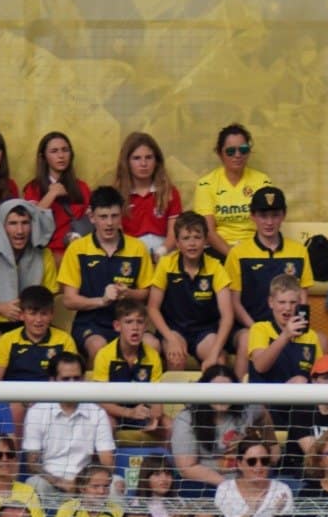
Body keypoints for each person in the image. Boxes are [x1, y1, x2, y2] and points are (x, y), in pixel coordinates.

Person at [58, 187, 153, 358]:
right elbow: (69, 300)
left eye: (114, 216)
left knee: (152, 345)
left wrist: (128, 293)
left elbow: (146, 293)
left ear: (121, 215)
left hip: (129, 322)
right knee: (98, 347)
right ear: (91, 217)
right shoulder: (77, 249)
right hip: (91, 323)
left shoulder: (138, 248)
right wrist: (102, 301)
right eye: (103, 217)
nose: (109, 223)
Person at [21, 352, 115, 504]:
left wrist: (84, 483)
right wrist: (59, 482)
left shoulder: (97, 412)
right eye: (66, 379)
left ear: (83, 379)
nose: (72, 384)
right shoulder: (37, 411)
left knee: (115, 484)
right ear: (52, 380)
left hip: (87, 483)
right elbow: (32, 464)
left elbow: (107, 462)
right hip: (50, 482)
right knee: (34, 484)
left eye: (76, 378)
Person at [148, 212, 232, 371]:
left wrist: (214, 354)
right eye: (186, 238)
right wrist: (171, 338)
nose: (192, 243)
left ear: (206, 241)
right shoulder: (166, 265)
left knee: (218, 360)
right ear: (177, 243)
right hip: (174, 328)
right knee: (176, 358)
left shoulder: (216, 267)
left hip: (205, 330)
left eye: (197, 237)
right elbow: (153, 308)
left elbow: (227, 316)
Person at [0, 199, 58, 335]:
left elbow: (48, 302)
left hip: (32, 323)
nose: (20, 231)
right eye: (13, 223)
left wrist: (27, 312)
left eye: (25, 223)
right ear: (2, 227)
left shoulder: (43, 255)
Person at [226, 185, 312, 334]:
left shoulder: (299, 251)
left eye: (275, 215)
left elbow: (303, 298)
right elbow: (234, 302)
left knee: (322, 341)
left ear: (284, 215)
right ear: (252, 216)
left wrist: (298, 328)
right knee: (246, 340)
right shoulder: (238, 253)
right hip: (249, 327)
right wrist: (257, 330)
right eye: (263, 216)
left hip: (288, 328)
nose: (269, 222)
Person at [89, 300, 166, 438]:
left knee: (169, 425)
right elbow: (100, 400)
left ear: (145, 326)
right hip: (114, 413)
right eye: (129, 322)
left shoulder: (153, 356)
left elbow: (157, 396)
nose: (135, 327)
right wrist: (129, 413)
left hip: (142, 413)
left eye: (140, 322)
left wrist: (155, 416)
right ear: (117, 326)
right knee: (107, 423)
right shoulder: (104, 355)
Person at [193, 124, 272, 258]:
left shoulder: (262, 181)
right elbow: (208, 231)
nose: (237, 155)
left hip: (255, 248)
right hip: (219, 249)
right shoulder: (206, 184)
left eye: (243, 150)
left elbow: (268, 224)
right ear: (220, 153)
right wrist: (234, 256)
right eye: (230, 151)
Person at [215, 432, 293, 517]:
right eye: (252, 462)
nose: (259, 466)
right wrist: (250, 512)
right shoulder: (225, 490)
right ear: (239, 464)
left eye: (264, 461)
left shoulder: (282, 490)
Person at [0, 284, 78, 390]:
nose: (38, 320)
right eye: (33, 314)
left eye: (44, 314)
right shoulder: (7, 340)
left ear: (52, 315)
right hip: (15, 396)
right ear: (21, 315)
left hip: (51, 396)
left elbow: (72, 382)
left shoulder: (65, 340)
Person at [244, 272, 322, 390]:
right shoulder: (260, 329)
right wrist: (285, 336)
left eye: (293, 303)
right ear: (271, 302)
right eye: (282, 302)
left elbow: (319, 376)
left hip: (300, 398)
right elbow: (260, 366)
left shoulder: (310, 336)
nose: (288, 308)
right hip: (264, 396)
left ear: (300, 303)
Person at [22, 131, 90, 257]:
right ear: (44, 157)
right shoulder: (33, 188)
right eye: (54, 151)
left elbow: (93, 221)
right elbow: (29, 223)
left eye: (65, 150)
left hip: (78, 253)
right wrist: (51, 194)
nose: (61, 155)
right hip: (45, 254)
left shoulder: (82, 187)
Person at [114, 131, 181, 256]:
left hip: (164, 254)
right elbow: (115, 235)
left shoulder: (169, 193)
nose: (143, 164)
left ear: (157, 161)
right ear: (126, 162)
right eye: (137, 158)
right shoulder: (116, 195)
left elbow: (174, 234)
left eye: (149, 157)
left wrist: (161, 253)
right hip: (129, 255)